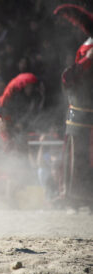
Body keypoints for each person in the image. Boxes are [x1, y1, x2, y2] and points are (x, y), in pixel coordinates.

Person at [54, 4, 93, 209]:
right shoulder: (86, 49)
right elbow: (69, 78)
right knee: (75, 159)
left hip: (86, 114)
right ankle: (72, 198)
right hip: (79, 113)